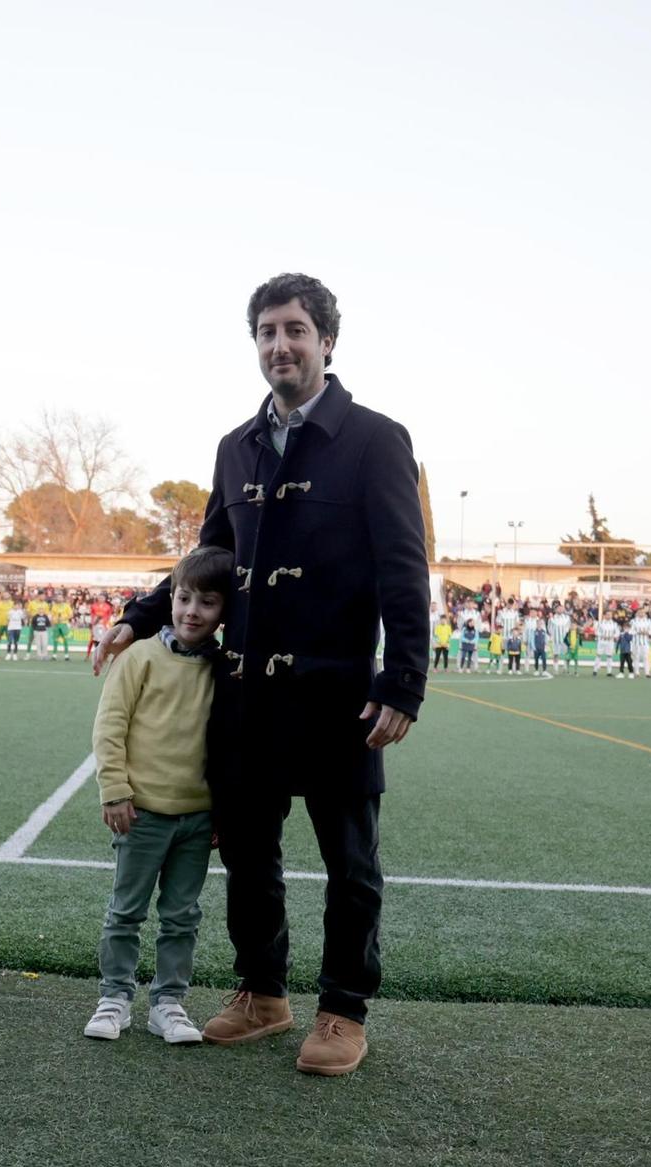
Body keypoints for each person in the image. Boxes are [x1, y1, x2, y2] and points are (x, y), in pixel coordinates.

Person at [95, 272, 427, 1077]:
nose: (280, 345)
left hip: (340, 695)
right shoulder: (233, 446)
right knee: (248, 855)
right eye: (267, 332)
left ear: (327, 342)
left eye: (295, 331)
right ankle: (264, 993)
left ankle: (344, 1008)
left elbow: (403, 568)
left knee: (351, 863)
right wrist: (141, 615)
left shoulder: (377, 440)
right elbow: (207, 555)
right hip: (243, 699)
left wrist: (403, 680)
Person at [85, 546, 230, 1046]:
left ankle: (168, 1003)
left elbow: (228, 744)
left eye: (207, 603)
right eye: (184, 598)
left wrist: (221, 811)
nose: (192, 611)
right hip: (140, 813)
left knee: (182, 917)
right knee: (126, 911)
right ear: (171, 599)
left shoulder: (222, 668)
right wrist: (114, 791)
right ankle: (114, 997)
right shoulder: (141, 656)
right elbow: (110, 726)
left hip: (197, 817)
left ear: (223, 610)